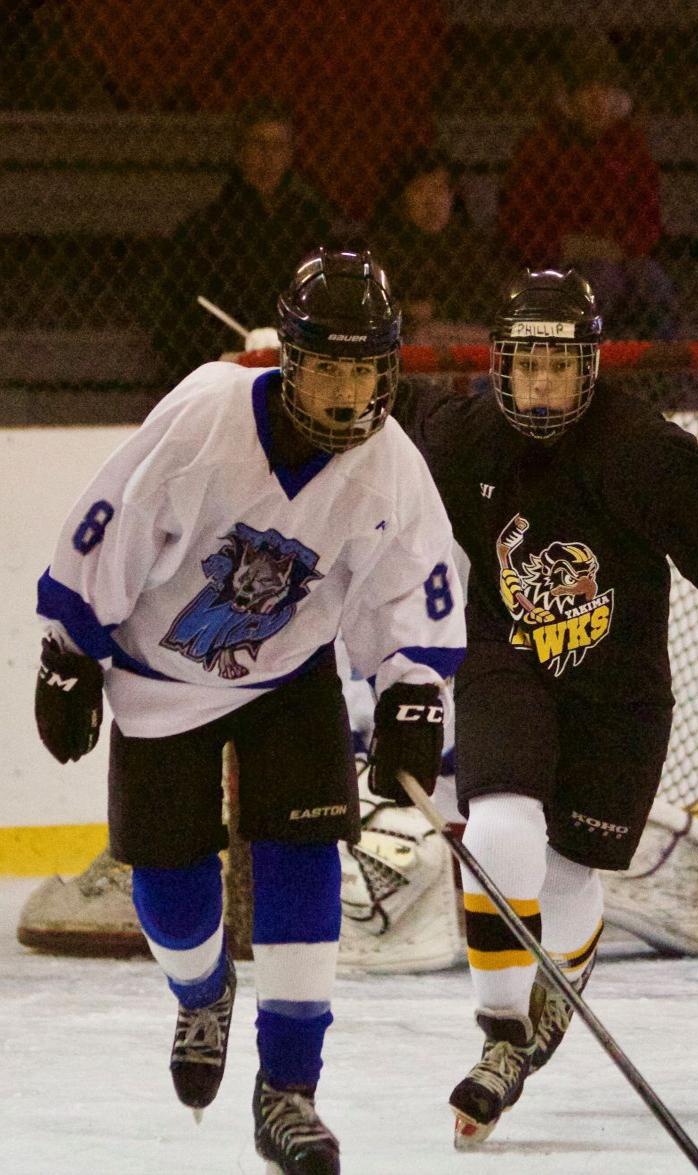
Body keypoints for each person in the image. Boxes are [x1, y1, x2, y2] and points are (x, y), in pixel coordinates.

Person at [34, 248, 465, 1173]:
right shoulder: (205, 412)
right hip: (159, 678)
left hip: (286, 677)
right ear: (289, 359)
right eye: (328, 365)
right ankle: (201, 995)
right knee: (172, 889)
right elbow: (106, 521)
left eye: (366, 367)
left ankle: (290, 1091)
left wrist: (412, 693)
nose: (348, 391)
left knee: (304, 850)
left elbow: (411, 588)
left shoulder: (389, 464)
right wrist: (69, 653)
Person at [391, 268, 698, 1146]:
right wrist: (303, 365)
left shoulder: (631, 446)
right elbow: (389, 411)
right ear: (498, 364)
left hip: (620, 694)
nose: (541, 385)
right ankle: (502, 1034)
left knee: (574, 873)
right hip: (507, 665)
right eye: (525, 364)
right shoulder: (464, 438)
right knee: (499, 829)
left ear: (590, 365)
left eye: (559, 366)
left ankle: (552, 993)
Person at [497, 33, 677, 340]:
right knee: (598, 281)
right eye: (586, 89)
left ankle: (659, 377)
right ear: (569, 96)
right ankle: (587, 370)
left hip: (620, 256)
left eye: (605, 89)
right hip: (560, 259)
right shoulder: (542, 145)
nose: (597, 99)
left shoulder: (629, 144)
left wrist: (620, 247)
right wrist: (567, 245)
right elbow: (519, 222)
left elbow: (648, 219)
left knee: (652, 280)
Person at [148, 102, 335, 383]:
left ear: (290, 154)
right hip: (226, 356)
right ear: (240, 150)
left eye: (278, 146)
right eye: (259, 144)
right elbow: (180, 309)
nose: (268, 157)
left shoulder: (312, 223)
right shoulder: (207, 227)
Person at [367, 147, 504, 348]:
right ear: (403, 199)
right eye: (420, 189)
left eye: (439, 189)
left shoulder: (468, 244)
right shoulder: (388, 246)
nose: (432, 201)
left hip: (463, 335)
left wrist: (436, 309)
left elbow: (490, 301)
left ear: (451, 196)